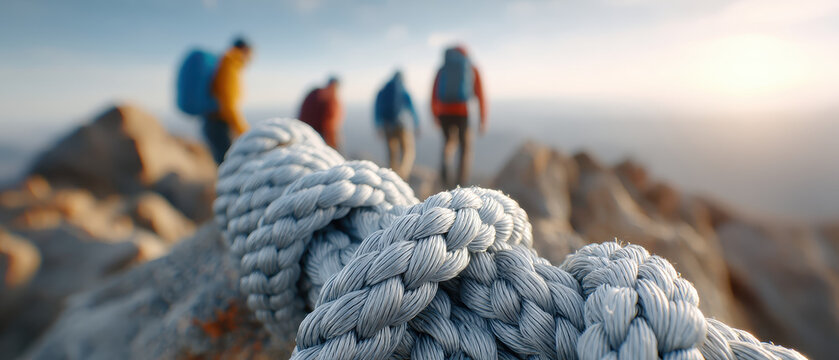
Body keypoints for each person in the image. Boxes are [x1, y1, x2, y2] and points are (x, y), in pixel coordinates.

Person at [431, 45, 487, 187]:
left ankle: (445, 175)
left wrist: (436, 115)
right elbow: (480, 95)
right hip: (462, 112)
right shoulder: (470, 67)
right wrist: (482, 119)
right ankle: (461, 183)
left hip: (444, 112)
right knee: (465, 148)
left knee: (447, 143)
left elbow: (434, 94)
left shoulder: (443, 69)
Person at [205, 37, 252, 164]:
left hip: (213, 122)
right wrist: (244, 131)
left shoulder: (226, 63)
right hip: (219, 124)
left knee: (223, 163)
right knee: (228, 165)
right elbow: (228, 104)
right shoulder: (230, 64)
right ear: (245, 50)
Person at [374, 71, 419, 179]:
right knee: (408, 150)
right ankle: (403, 173)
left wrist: (378, 125)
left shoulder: (383, 90)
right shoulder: (402, 89)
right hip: (401, 125)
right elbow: (412, 108)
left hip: (387, 125)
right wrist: (416, 124)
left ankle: (392, 176)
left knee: (392, 153)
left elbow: (377, 109)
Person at [298, 77, 344, 150]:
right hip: (319, 137)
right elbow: (329, 125)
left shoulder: (314, 93)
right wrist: (334, 146)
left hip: (303, 133)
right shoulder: (330, 98)